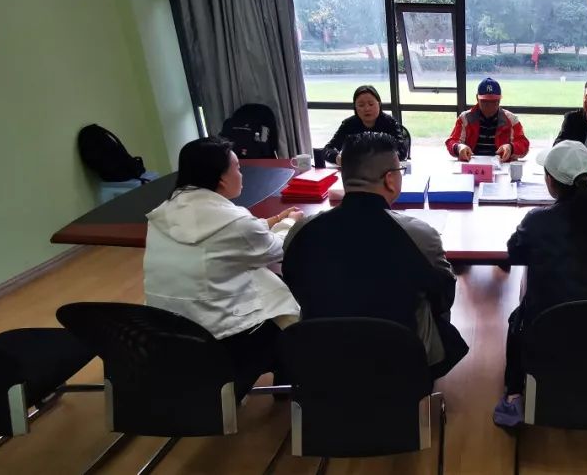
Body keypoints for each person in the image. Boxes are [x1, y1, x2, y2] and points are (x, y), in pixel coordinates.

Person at [283, 132, 468, 379]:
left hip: (322, 356)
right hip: (399, 359)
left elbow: (295, 284)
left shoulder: (301, 231)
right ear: (390, 179)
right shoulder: (419, 236)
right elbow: (443, 294)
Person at [143, 137, 302, 392]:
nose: (241, 174)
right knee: (289, 297)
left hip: (167, 332)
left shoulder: (164, 213)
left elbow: (237, 236)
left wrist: (272, 221)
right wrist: (290, 222)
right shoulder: (233, 222)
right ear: (221, 179)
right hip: (224, 339)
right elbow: (276, 249)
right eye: (237, 167)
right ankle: (287, 381)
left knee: (262, 281)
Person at [493, 140, 587, 426]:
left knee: (517, 319)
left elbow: (514, 252)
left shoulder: (537, 219)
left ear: (550, 181)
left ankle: (514, 394)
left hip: (544, 324)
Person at [445, 77, 530, 162]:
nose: (490, 106)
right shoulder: (465, 118)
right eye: (484, 101)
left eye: (494, 101)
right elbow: (452, 141)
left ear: (500, 100)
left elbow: (524, 144)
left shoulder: (511, 119)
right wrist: (459, 147)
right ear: (477, 98)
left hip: (502, 165)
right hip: (472, 165)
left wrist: (511, 147)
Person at [323, 85, 410, 164]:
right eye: (361, 105)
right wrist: (337, 158)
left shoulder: (390, 123)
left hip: (383, 169)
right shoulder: (348, 124)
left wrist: (379, 159)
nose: (367, 109)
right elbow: (327, 149)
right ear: (355, 108)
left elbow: (402, 152)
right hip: (356, 170)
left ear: (379, 104)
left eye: (371, 104)